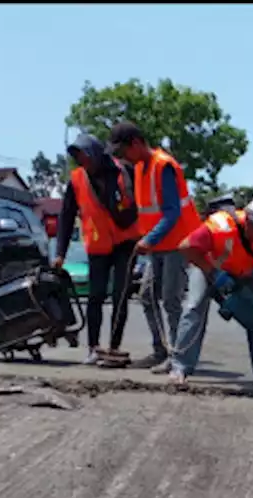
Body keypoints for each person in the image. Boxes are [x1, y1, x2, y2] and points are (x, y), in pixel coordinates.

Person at [107, 122, 203, 371]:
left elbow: (171, 212)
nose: (122, 157)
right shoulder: (139, 168)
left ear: (137, 143)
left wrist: (149, 239)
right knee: (147, 297)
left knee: (171, 300)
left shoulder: (164, 166)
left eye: (123, 151)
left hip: (177, 243)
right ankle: (161, 351)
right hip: (159, 244)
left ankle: (178, 357)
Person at [168, 198, 253, 389]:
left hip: (245, 271)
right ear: (249, 225)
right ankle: (180, 368)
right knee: (193, 310)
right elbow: (186, 247)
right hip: (210, 267)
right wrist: (212, 273)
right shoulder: (220, 226)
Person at [51, 133, 138, 366]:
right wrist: (60, 252)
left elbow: (141, 204)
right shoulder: (77, 179)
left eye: (85, 156)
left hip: (125, 241)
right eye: (78, 158)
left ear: (96, 153)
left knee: (120, 295)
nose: (82, 163)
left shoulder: (123, 171)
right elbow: (66, 217)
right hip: (98, 245)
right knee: (95, 296)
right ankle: (93, 347)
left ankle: (114, 347)